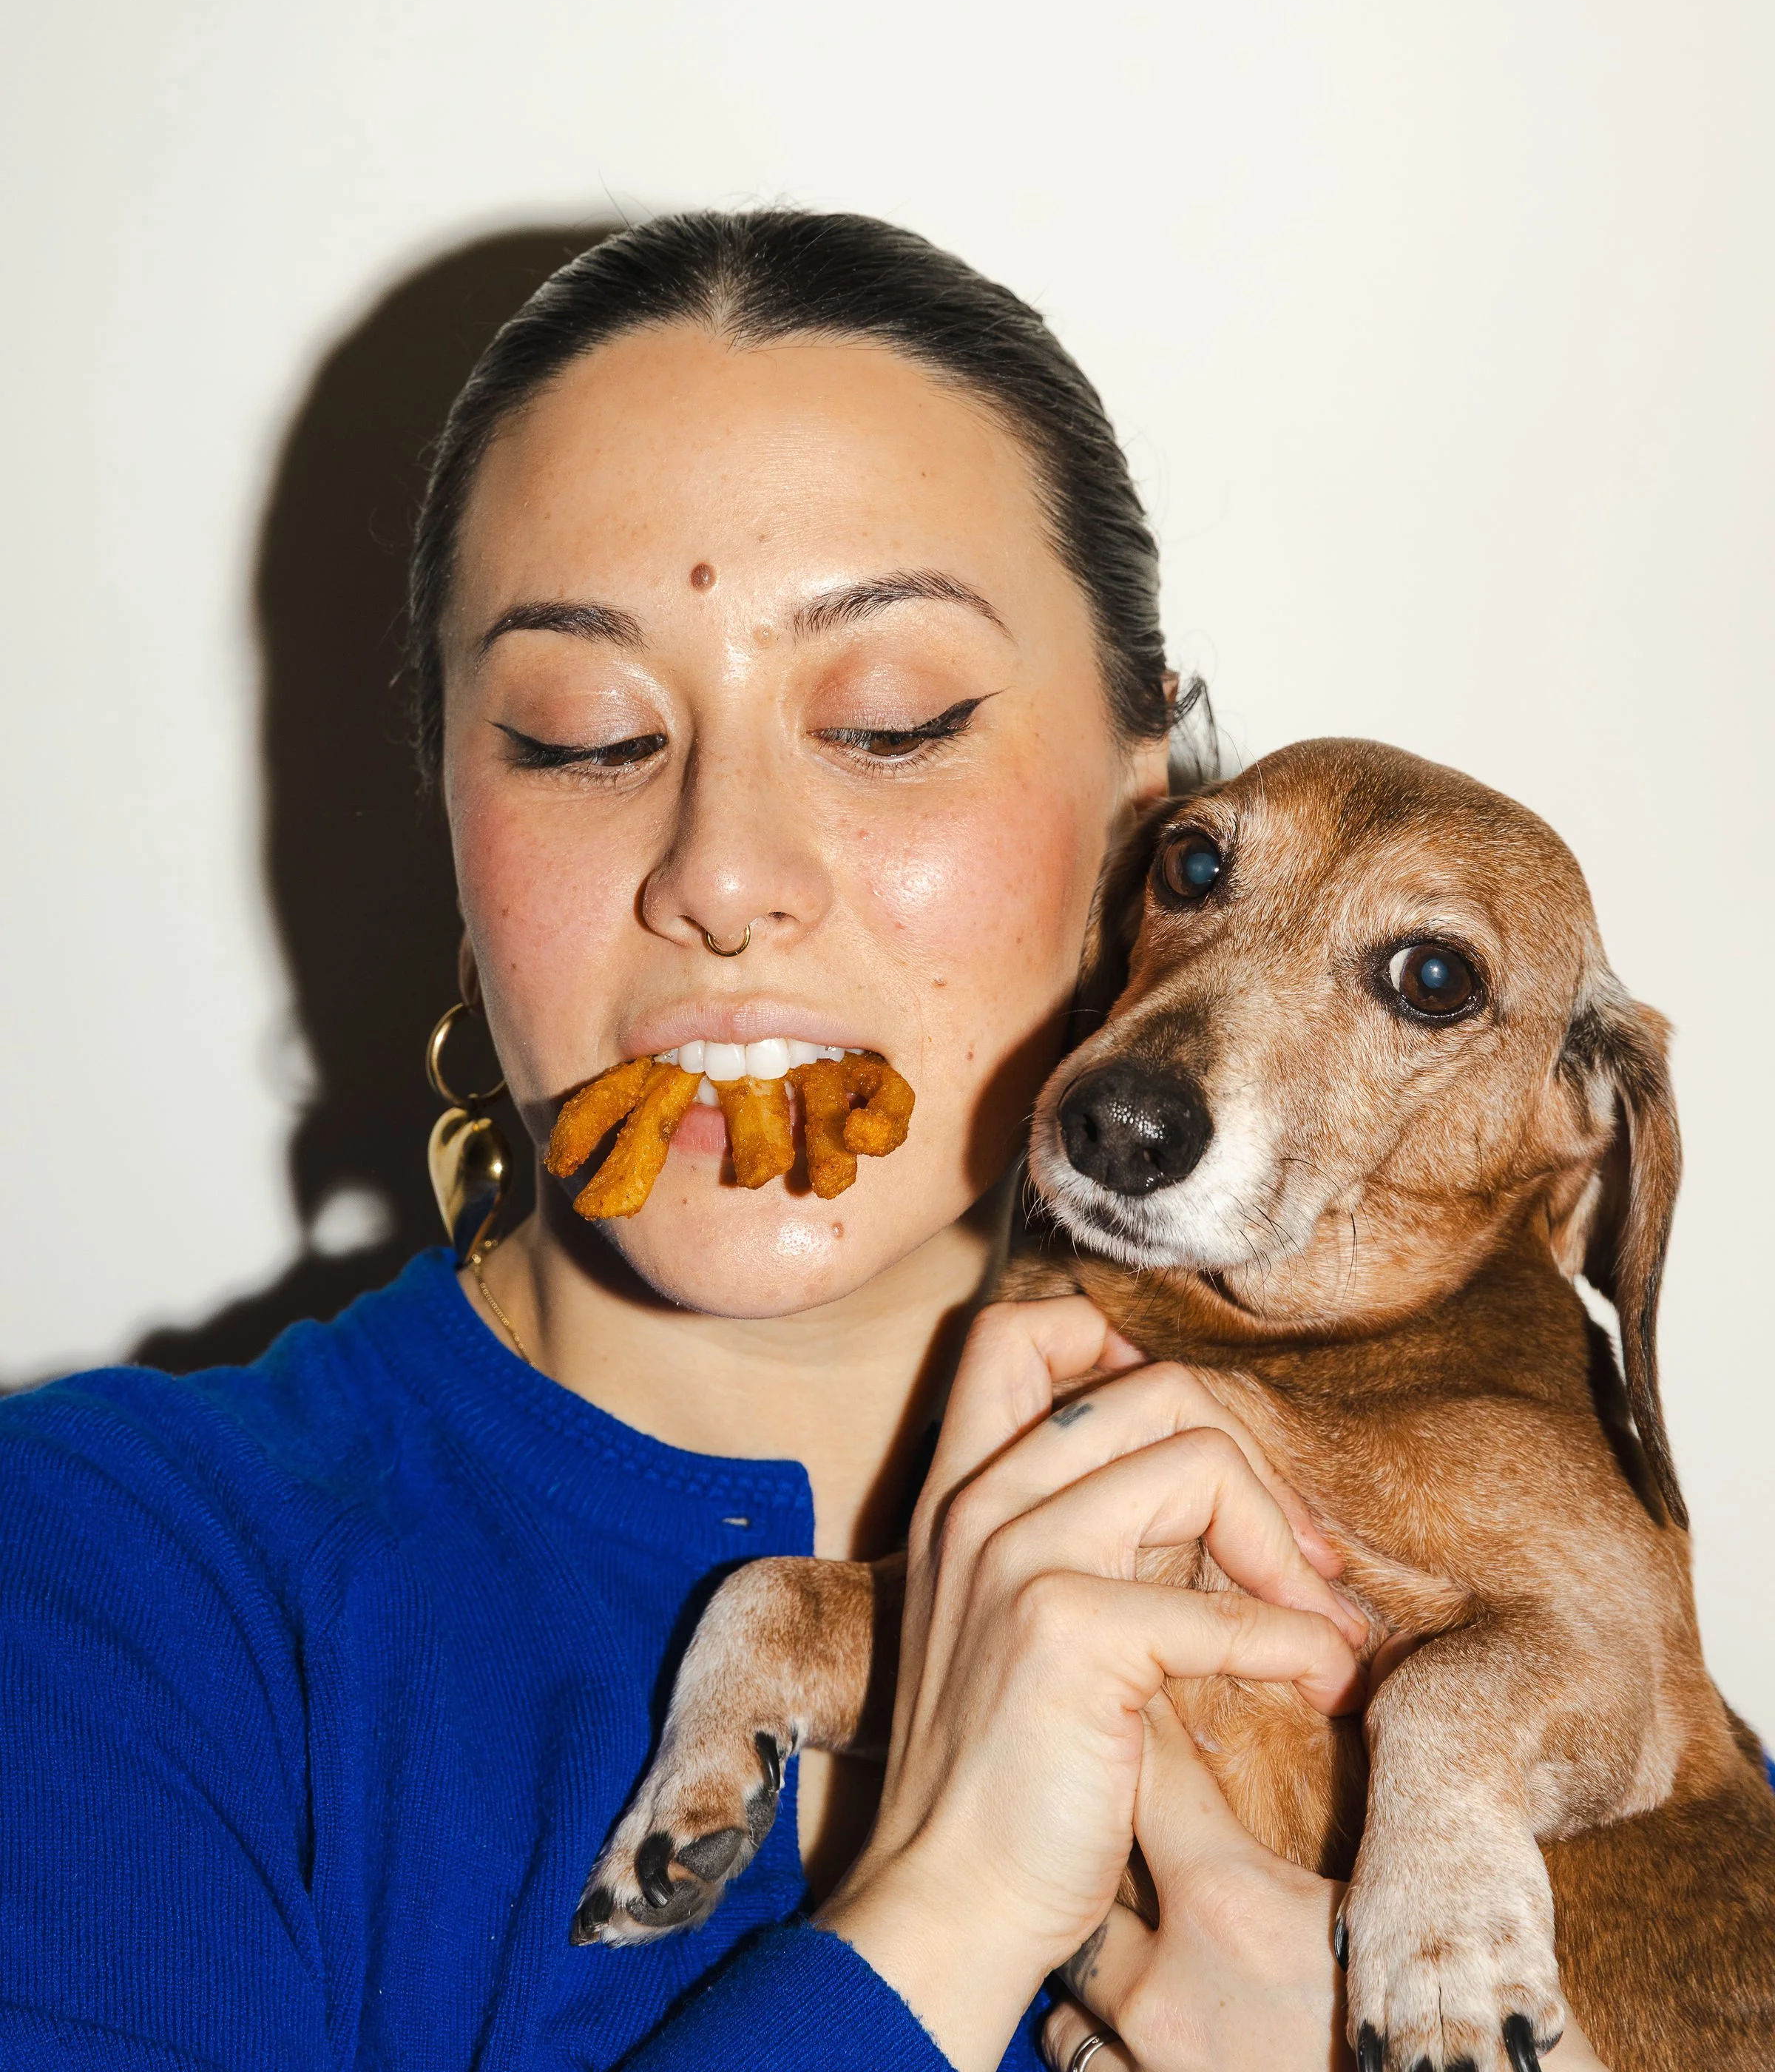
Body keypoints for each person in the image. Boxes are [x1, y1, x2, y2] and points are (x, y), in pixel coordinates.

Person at [0, 212, 1610, 2072]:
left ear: (1150, 823)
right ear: (451, 827)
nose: (724, 877)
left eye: (891, 722)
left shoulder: (1505, 1685)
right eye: (583, 737)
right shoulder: (112, 1596)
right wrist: (944, 1913)